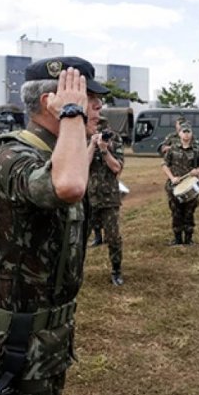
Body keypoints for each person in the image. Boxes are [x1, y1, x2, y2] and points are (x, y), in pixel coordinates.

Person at [0, 57, 105, 395]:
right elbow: (67, 187)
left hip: (45, 335)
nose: (96, 108)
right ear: (52, 102)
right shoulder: (13, 158)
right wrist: (73, 115)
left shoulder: (51, 153)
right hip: (16, 340)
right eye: (89, 99)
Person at [87, 116, 125, 285]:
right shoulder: (83, 140)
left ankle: (116, 270)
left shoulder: (114, 142)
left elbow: (117, 168)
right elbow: (81, 165)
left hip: (109, 198)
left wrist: (104, 150)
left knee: (113, 237)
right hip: (87, 197)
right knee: (79, 237)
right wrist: (91, 145)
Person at [162, 122, 199, 246]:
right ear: (179, 133)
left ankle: (188, 239)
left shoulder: (197, 150)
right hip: (175, 186)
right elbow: (165, 165)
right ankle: (177, 239)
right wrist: (172, 178)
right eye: (184, 132)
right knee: (176, 212)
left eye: (188, 132)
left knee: (189, 212)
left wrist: (197, 171)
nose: (186, 135)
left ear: (191, 134)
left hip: (191, 187)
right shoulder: (172, 148)